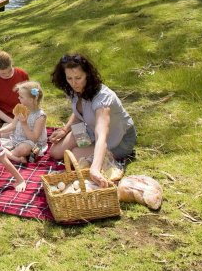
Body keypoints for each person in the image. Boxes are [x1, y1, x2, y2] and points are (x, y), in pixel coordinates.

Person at [48, 53, 136, 187]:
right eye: (69, 78)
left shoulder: (102, 99)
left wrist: (94, 169)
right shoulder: (73, 89)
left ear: (87, 75)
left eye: (78, 77)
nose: (73, 83)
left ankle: (101, 161)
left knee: (75, 154)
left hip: (118, 138)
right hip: (90, 128)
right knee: (55, 152)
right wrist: (65, 130)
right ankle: (89, 151)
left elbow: (102, 135)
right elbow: (79, 113)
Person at [0, 80, 47, 162]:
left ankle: (6, 155)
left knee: (23, 149)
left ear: (31, 100)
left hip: (32, 143)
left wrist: (24, 124)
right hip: (17, 139)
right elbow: (12, 125)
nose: (18, 98)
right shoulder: (20, 108)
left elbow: (34, 138)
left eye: (21, 97)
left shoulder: (40, 116)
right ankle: (14, 157)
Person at [0, 50, 30, 125]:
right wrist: (14, 123)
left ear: (12, 64)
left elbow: (29, 98)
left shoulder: (22, 74)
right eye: (3, 73)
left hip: (23, 114)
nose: (7, 74)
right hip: (2, 117)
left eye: (10, 70)